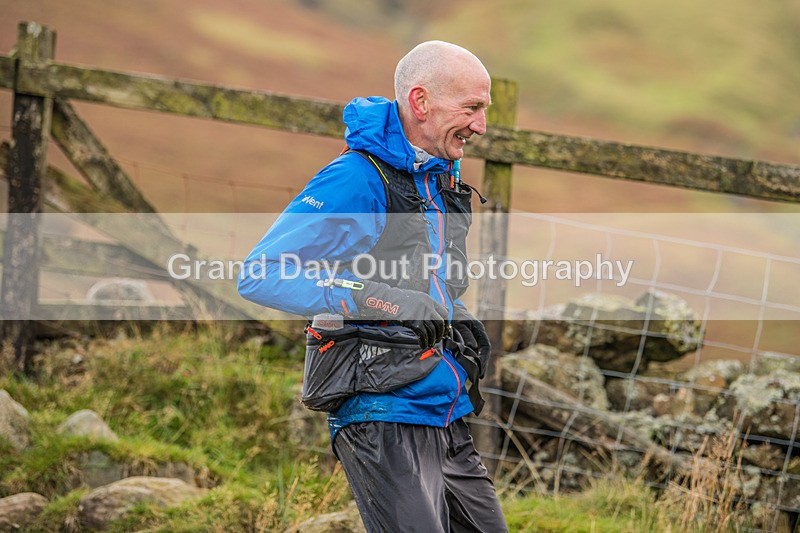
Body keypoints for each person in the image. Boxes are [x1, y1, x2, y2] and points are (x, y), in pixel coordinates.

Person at [239, 40, 507, 532]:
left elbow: (416, 276)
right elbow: (262, 273)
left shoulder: (438, 176)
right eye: (471, 108)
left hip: (443, 410)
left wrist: (450, 314)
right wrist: (378, 298)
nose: (481, 126)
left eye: (484, 109)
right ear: (421, 102)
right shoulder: (356, 178)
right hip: (381, 413)